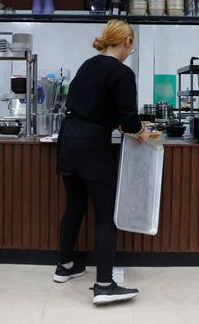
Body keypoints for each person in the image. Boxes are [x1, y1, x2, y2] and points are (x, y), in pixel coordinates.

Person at [53, 19, 150, 305]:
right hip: (93, 146)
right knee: (106, 214)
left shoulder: (87, 64)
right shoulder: (122, 72)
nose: (130, 52)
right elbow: (130, 120)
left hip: (69, 139)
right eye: (131, 46)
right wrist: (142, 132)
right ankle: (105, 285)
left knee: (75, 205)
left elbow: (92, 106)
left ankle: (65, 266)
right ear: (127, 42)